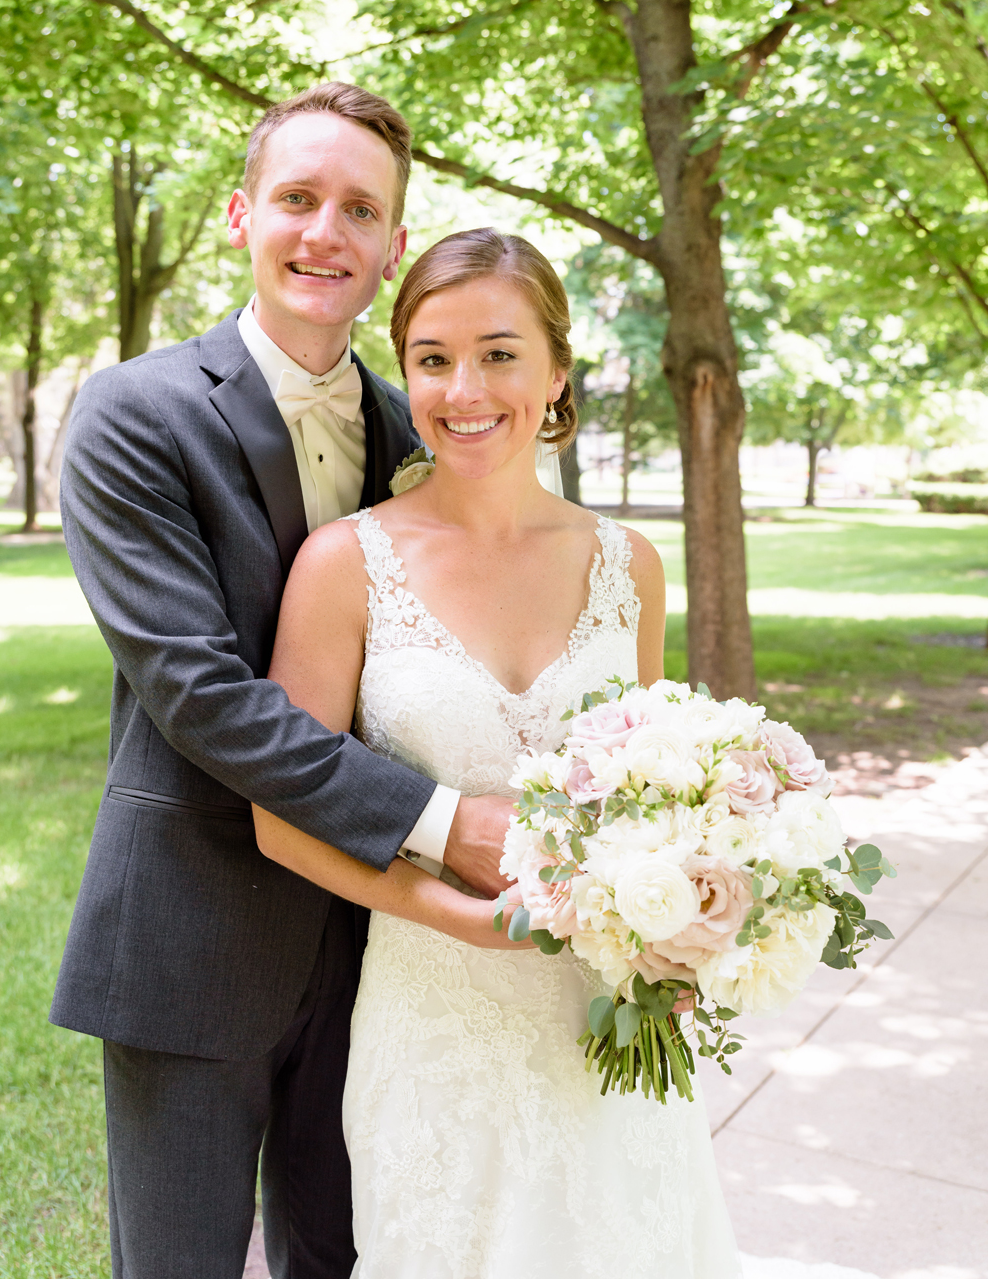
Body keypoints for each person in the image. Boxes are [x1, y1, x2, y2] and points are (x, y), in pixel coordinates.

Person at [256, 229, 875, 1279]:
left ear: (554, 371)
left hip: (607, 1021)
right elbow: (281, 821)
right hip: (432, 1018)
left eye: (498, 353)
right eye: (431, 356)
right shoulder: (340, 564)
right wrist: (469, 917)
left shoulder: (625, 566)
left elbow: (657, 793)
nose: (463, 388)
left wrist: (691, 922)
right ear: (402, 371)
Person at [52, 82, 521, 1279]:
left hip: (381, 952)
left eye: (358, 209)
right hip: (190, 935)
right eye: (297, 198)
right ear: (238, 214)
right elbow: (197, 691)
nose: (325, 231)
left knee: (350, 1259)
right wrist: (439, 822)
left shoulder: (418, 432)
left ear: (390, 247)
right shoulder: (130, 412)